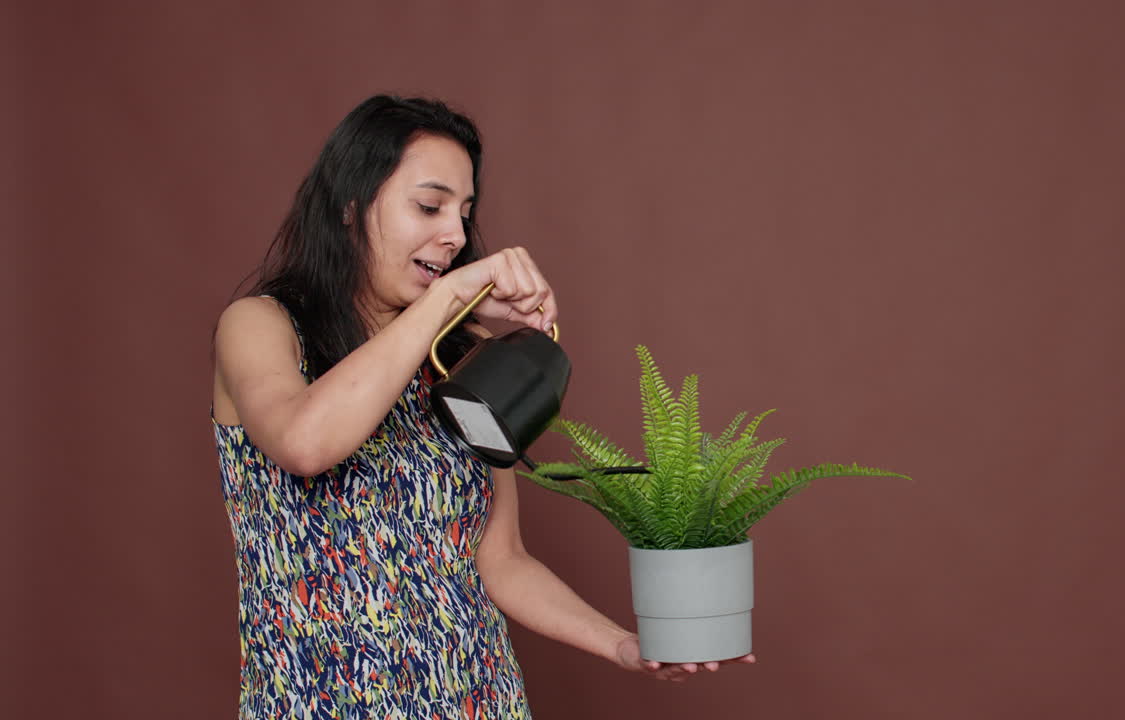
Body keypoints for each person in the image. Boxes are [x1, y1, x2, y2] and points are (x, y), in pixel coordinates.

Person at [211, 94, 754, 719]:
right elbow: (305, 444)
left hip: (478, 701)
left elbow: (501, 562)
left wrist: (626, 646)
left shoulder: (464, 359)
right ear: (350, 206)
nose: (457, 236)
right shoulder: (260, 326)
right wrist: (448, 300)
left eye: (465, 213)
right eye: (429, 206)